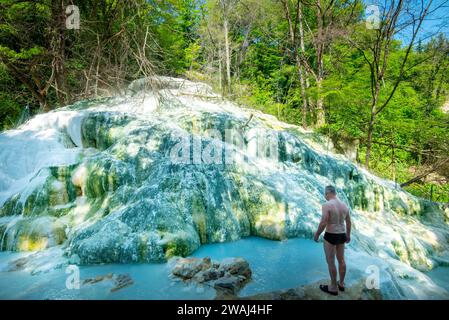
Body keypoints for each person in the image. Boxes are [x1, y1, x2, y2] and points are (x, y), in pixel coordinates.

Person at [314, 185, 351, 296]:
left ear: (328, 193)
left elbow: (324, 222)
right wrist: (348, 236)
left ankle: (333, 287)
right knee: (341, 260)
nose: (325, 196)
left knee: (331, 262)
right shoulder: (344, 205)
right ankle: (342, 283)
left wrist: (317, 234)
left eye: (325, 194)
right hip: (342, 234)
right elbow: (348, 222)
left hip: (331, 235)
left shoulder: (327, 205)